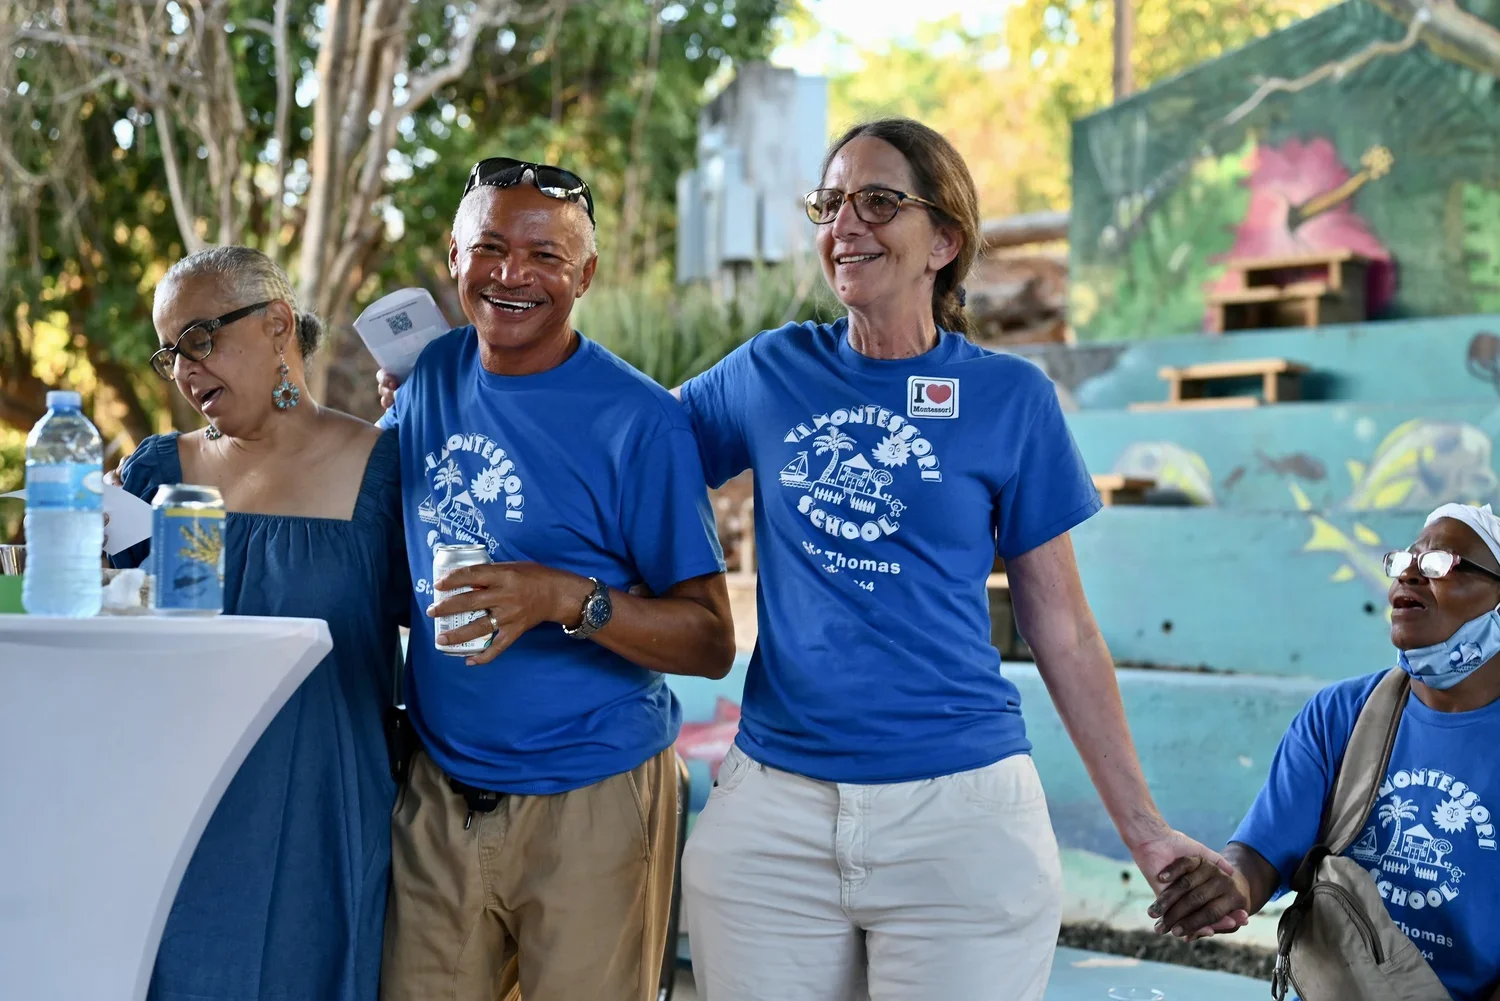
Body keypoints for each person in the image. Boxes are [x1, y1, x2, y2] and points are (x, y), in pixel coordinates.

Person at [671, 118, 1239, 1000]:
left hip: (961, 810)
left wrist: (1145, 827)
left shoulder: (1009, 397)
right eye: (831, 202)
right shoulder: (770, 370)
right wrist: (471, 376)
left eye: (879, 202)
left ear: (944, 240)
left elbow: (1063, 626)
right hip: (775, 807)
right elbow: (627, 448)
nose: (845, 224)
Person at [376, 158, 735, 1001]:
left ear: (587, 276)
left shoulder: (639, 420)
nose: (511, 274)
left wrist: (566, 597)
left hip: (594, 797)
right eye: (490, 247)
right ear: (454, 255)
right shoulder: (428, 379)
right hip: (439, 789)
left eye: (544, 256)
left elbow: (712, 639)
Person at [113, 246, 407, 1001]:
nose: (183, 370)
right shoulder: (152, 476)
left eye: (201, 339)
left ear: (278, 324)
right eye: (170, 352)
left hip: (324, 817)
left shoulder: (387, 470)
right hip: (174, 824)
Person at [1150, 502, 1500, 1001]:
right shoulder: (1341, 715)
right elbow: (1262, 852)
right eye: (1404, 563)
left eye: (1441, 564)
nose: (1410, 577)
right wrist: (1228, 885)